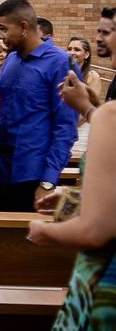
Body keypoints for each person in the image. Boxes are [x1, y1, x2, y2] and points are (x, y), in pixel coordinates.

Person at [27, 20, 116, 329]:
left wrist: (42, 231)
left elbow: (95, 230)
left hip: (106, 282)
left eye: (109, 32)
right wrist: (72, 196)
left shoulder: (110, 117)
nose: (102, 39)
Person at [0, 0, 77, 212]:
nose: (1, 36)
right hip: (0, 170)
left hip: (32, 173)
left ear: (24, 27)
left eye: (3, 29)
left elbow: (65, 127)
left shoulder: (60, 62)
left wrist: (48, 181)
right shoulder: (11, 59)